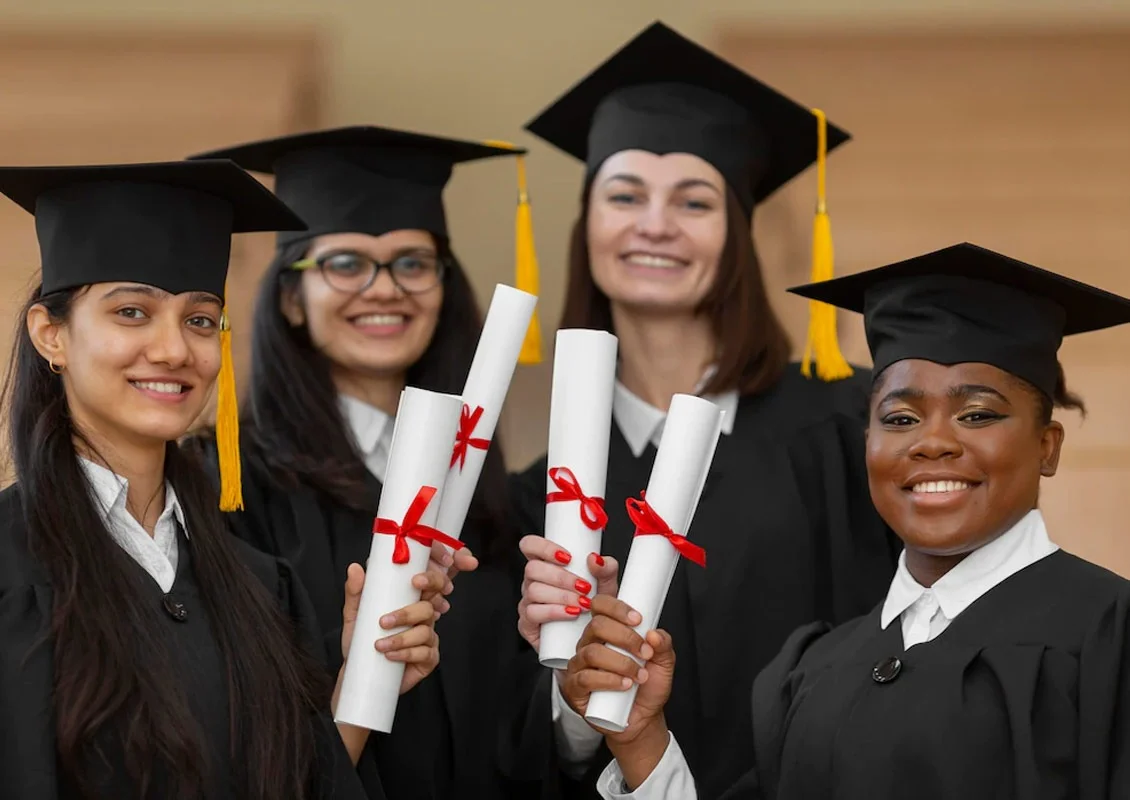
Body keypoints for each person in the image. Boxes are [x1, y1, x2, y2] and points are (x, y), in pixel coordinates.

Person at [563, 242, 1130, 799]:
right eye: (900, 418)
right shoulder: (810, 670)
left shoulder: (1110, 636)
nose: (933, 442)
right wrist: (643, 742)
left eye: (977, 414)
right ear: (867, 445)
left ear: (1047, 447)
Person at [511, 21, 899, 798]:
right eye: (625, 195)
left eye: (693, 201)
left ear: (737, 235)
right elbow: (517, 757)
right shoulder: (538, 497)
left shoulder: (849, 426)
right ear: (588, 224)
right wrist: (579, 698)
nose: (655, 224)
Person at [0, 160, 449, 799]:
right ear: (51, 335)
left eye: (200, 320)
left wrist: (363, 674)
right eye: (131, 312)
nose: (174, 350)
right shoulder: (9, 570)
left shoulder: (259, 584)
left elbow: (298, 786)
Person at [184, 127, 556, 799]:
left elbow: (522, 725)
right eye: (346, 263)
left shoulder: (500, 499)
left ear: (444, 288)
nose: (385, 289)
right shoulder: (227, 489)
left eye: (412, 263)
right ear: (291, 298)